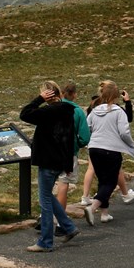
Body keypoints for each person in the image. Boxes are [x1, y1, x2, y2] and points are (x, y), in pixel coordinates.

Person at [19, 81, 80, 251]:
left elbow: (24, 114)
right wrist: (67, 163)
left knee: (44, 201)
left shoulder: (48, 112)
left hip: (48, 161)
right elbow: (68, 138)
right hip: (60, 161)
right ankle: (68, 227)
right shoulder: (67, 110)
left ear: (47, 94)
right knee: (48, 196)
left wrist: (38, 99)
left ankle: (45, 242)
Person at [36, 81, 91, 235]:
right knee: (63, 184)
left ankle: (46, 220)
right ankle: (62, 224)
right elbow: (85, 137)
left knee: (45, 191)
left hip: (48, 155)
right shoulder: (76, 111)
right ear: (74, 94)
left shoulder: (48, 109)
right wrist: (77, 145)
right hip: (68, 154)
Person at [84, 80, 134, 226]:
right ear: (116, 96)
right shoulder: (118, 112)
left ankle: (104, 213)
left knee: (102, 180)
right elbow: (124, 132)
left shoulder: (94, 111)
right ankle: (93, 207)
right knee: (111, 181)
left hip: (94, 149)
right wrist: (130, 145)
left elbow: (87, 128)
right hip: (111, 150)